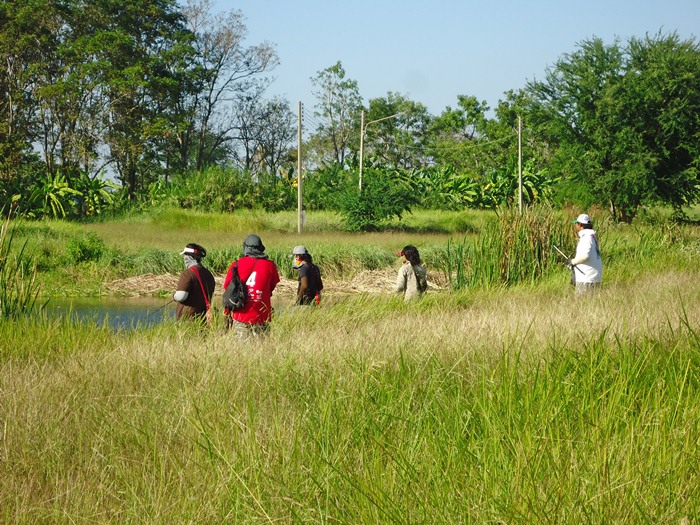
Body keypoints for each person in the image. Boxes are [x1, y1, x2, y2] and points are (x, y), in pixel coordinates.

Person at [223, 234, 280, 337]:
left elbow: (228, 288)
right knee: (262, 349)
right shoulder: (270, 265)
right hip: (261, 316)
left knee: (242, 350)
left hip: (241, 315)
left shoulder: (236, 264)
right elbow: (271, 287)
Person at [173, 243, 215, 322]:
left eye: (185, 256)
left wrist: (174, 296)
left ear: (189, 257)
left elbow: (181, 297)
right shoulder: (208, 274)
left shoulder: (187, 273)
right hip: (204, 317)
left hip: (188, 319)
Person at [569, 213, 603, 294]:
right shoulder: (592, 236)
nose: (575, 225)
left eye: (576, 223)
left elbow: (585, 256)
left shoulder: (586, 238)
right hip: (593, 276)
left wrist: (572, 261)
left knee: (582, 304)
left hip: (587, 278)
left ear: (580, 224)